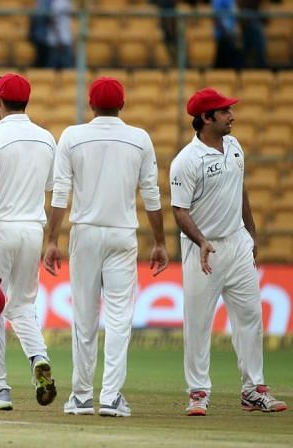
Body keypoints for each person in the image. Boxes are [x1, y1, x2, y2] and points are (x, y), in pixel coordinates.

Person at [42, 77, 169, 417]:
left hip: (85, 233)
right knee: (119, 318)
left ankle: (82, 397)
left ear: (91, 105)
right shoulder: (139, 138)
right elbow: (152, 196)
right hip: (121, 234)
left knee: (83, 319)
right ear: (122, 105)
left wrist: (52, 239)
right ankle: (111, 397)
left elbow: (60, 194)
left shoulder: (73, 135)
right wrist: (159, 241)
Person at [170, 88, 288, 416]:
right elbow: (179, 211)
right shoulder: (186, 161)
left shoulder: (234, 146)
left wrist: (251, 233)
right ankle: (197, 393)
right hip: (203, 250)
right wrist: (202, 241)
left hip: (237, 244)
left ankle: (253, 389)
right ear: (206, 118)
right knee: (198, 322)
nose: (232, 116)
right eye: (224, 112)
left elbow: (241, 188)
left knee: (250, 315)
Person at [0, 73, 57, 411]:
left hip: (0, 228)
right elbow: (50, 185)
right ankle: (38, 358)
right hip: (32, 228)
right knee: (22, 304)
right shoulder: (47, 138)